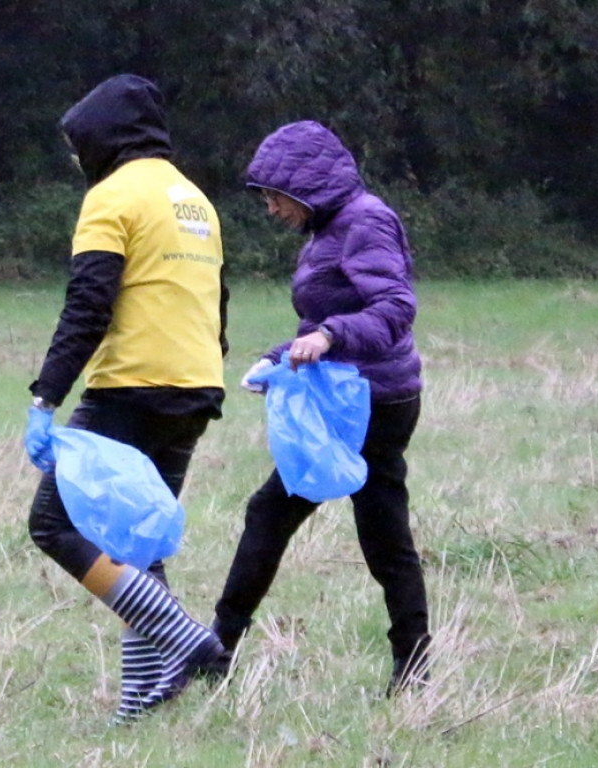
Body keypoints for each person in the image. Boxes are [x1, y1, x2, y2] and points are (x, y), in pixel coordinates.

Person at [24, 74, 228, 722]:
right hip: (196, 384)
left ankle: (188, 641)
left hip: (131, 386)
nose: (75, 158)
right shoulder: (194, 200)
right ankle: (141, 700)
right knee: (136, 542)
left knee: (54, 525)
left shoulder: (112, 198)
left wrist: (46, 396)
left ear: (101, 138)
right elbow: (217, 302)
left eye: (76, 144)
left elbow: (88, 302)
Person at [211, 120, 432, 695]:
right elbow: (324, 320)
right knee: (278, 515)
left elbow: (394, 309)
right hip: (341, 397)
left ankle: (411, 669)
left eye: (273, 196)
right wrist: (280, 356)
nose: (270, 209)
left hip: (374, 403)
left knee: (377, 534)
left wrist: (329, 337)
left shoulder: (366, 221)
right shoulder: (330, 227)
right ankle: (216, 651)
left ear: (305, 186)